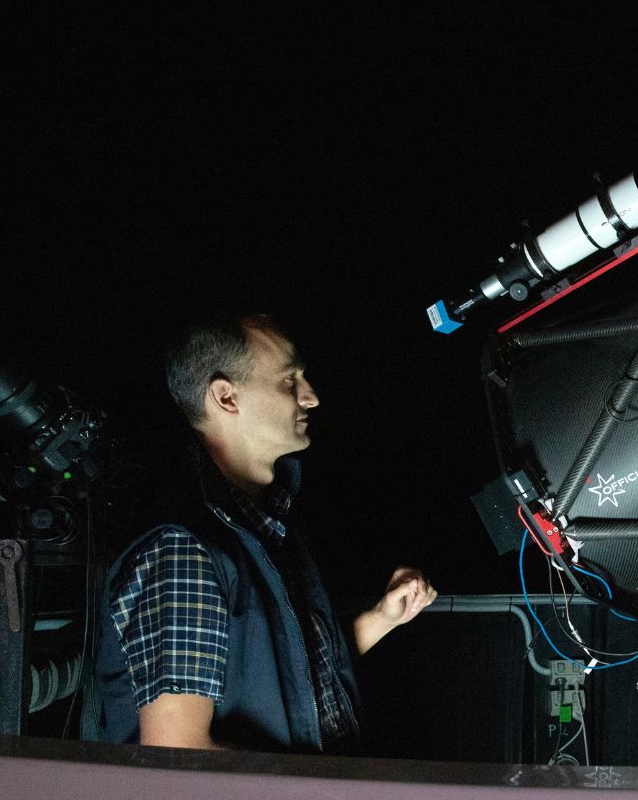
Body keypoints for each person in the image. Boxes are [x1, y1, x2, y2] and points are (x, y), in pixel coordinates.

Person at [86, 312, 436, 751]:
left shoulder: (262, 525)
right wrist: (313, 791)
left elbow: (294, 675)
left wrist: (383, 618)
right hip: (289, 799)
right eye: (289, 380)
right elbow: (179, 755)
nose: (310, 398)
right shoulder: (185, 550)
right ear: (226, 397)